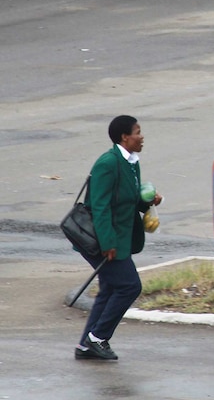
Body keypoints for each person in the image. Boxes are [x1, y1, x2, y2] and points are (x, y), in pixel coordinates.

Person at [75, 115, 162, 360]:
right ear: (125, 137)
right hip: (105, 240)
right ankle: (97, 338)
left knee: (110, 289)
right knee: (129, 286)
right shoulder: (108, 163)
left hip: (121, 237)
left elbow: (130, 199)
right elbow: (99, 206)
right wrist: (107, 243)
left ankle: (86, 345)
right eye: (138, 132)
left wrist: (149, 200)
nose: (141, 136)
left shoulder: (131, 161)